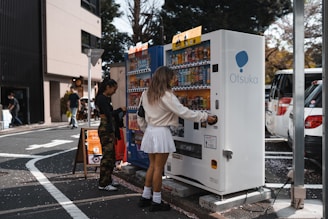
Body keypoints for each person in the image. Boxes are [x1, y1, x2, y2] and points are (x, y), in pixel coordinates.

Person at [137, 66, 217, 212]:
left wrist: (145, 130)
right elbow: (183, 112)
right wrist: (205, 116)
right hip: (161, 133)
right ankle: (156, 201)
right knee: (158, 168)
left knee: (152, 166)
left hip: (150, 131)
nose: (175, 79)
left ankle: (145, 197)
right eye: (173, 77)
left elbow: (140, 115)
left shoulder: (145, 93)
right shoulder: (166, 95)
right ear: (166, 78)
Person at [95, 79, 126, 191]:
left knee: (111, 156)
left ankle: (108, 179)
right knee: (108, 156)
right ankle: (103, 183)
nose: (114, 91)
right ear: (108, 87)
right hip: (106, 130)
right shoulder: (102, 99)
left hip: (108, 129)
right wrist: (120, 110)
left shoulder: (104, 98)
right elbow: (109, 114)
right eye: (114, 89)